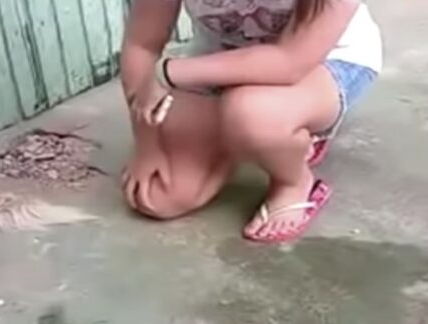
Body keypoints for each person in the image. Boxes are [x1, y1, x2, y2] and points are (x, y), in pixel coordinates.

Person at [120, 0, 382, 243]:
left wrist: (167, 73)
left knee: (253, 115)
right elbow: (141, 45)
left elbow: (289, 63)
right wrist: (147, 141)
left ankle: (292, 181)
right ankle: (254, 139)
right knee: (160, 196)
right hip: (220, 65)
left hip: (322, 63)